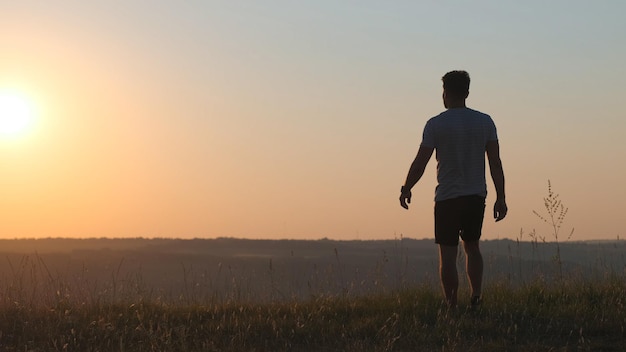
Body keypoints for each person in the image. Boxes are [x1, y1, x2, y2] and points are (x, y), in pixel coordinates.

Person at [399, 70, 507, 308]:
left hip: (447, 197)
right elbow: (495, 162)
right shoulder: (485, 122)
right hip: (475, 195)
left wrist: (407, 187)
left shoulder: (435, 124)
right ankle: (476, 297)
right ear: (467, 93)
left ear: (445, 93)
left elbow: (420, 162)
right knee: (472, 247)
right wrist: (501, 197)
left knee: (448, 255)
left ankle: (451, 304)